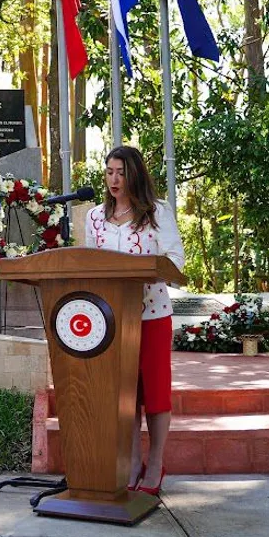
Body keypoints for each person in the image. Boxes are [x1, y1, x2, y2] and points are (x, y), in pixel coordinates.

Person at [84, 146, 184, 497]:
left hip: (152, 315)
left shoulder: (158, 212)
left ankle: (156, 464)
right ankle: (132, 461)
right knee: (125, 394)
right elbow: (88, 266)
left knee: (154, 394)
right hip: (111, 320)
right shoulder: (94, 217)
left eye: (121, 172)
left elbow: (176, 260)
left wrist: (146, 271)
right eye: (109, 171)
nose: (114, 179)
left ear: (134, 174)